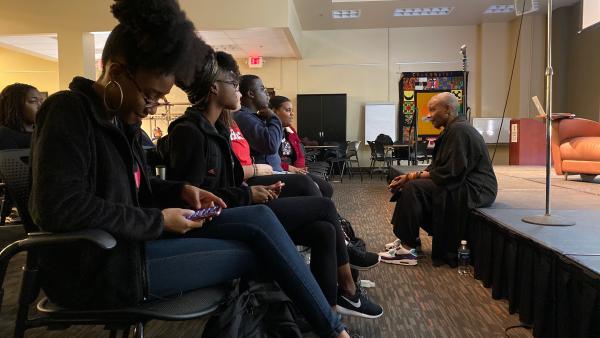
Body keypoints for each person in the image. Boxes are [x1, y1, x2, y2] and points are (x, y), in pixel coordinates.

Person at [28, 1, 349, 337]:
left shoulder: (119, 122)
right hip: (99, 268)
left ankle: (329, 328)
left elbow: (137, 188)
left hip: (131, 247)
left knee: (262, 221)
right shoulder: (68, 111)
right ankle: (329, 329)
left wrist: (178, 191)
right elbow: (57, 208)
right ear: (117, 72)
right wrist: (158, 219)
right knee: (260, 248)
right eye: (149, 94)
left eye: (159, 98)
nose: (151, 106)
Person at [159, 51, 383, 319]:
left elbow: (227, 182)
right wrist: (247, 194)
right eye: (234, 83)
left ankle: (331, 308)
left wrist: (253, 191)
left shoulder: (218, 128)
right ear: (214, 87)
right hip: (216, 220)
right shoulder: (190, 132)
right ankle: (348, 289)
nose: (239, 91)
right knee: (322, 206)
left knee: (323, 230)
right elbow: (194, 201)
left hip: (235, 206)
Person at [379, 92, 497, 266]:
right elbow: (438, 167)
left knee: (414, 189)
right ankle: (412, 243)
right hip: (462, 182)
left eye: (433, 110)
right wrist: (409, 177)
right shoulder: (453, 129)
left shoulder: (459, 130)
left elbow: (451, 172)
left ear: (448, 110)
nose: (428, 115)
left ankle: (408, 248)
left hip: (475, 188)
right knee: (412, 186)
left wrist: (412, 177)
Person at [233, 75, 332, 198]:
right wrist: (274, 117)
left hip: (276, 170)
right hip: (265, 174)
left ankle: (329, 213)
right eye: (263, 89)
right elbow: (271, 145)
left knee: (325, 187)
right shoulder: (244, 117)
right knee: (306, 184)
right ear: (251, 94)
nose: (267, 94)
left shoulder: (256, 117)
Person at [270, 95, 333, 198]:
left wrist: (299, 168)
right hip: (280, 171)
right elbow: (270, 161)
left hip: (296, 171)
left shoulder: (290, 130)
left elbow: (299, 152)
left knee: (326, 188)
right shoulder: (269, 132)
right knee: (315, 190)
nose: (292, 114)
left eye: (292, 110)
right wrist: (291, 168)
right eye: (288, 110)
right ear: (274, 111)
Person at [0, 83, 43, 221]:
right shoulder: (4, 134)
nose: (40, 105)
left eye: (41, 101)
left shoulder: (43, 133)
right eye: (33, 101)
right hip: (23, 207)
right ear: (15, 106)